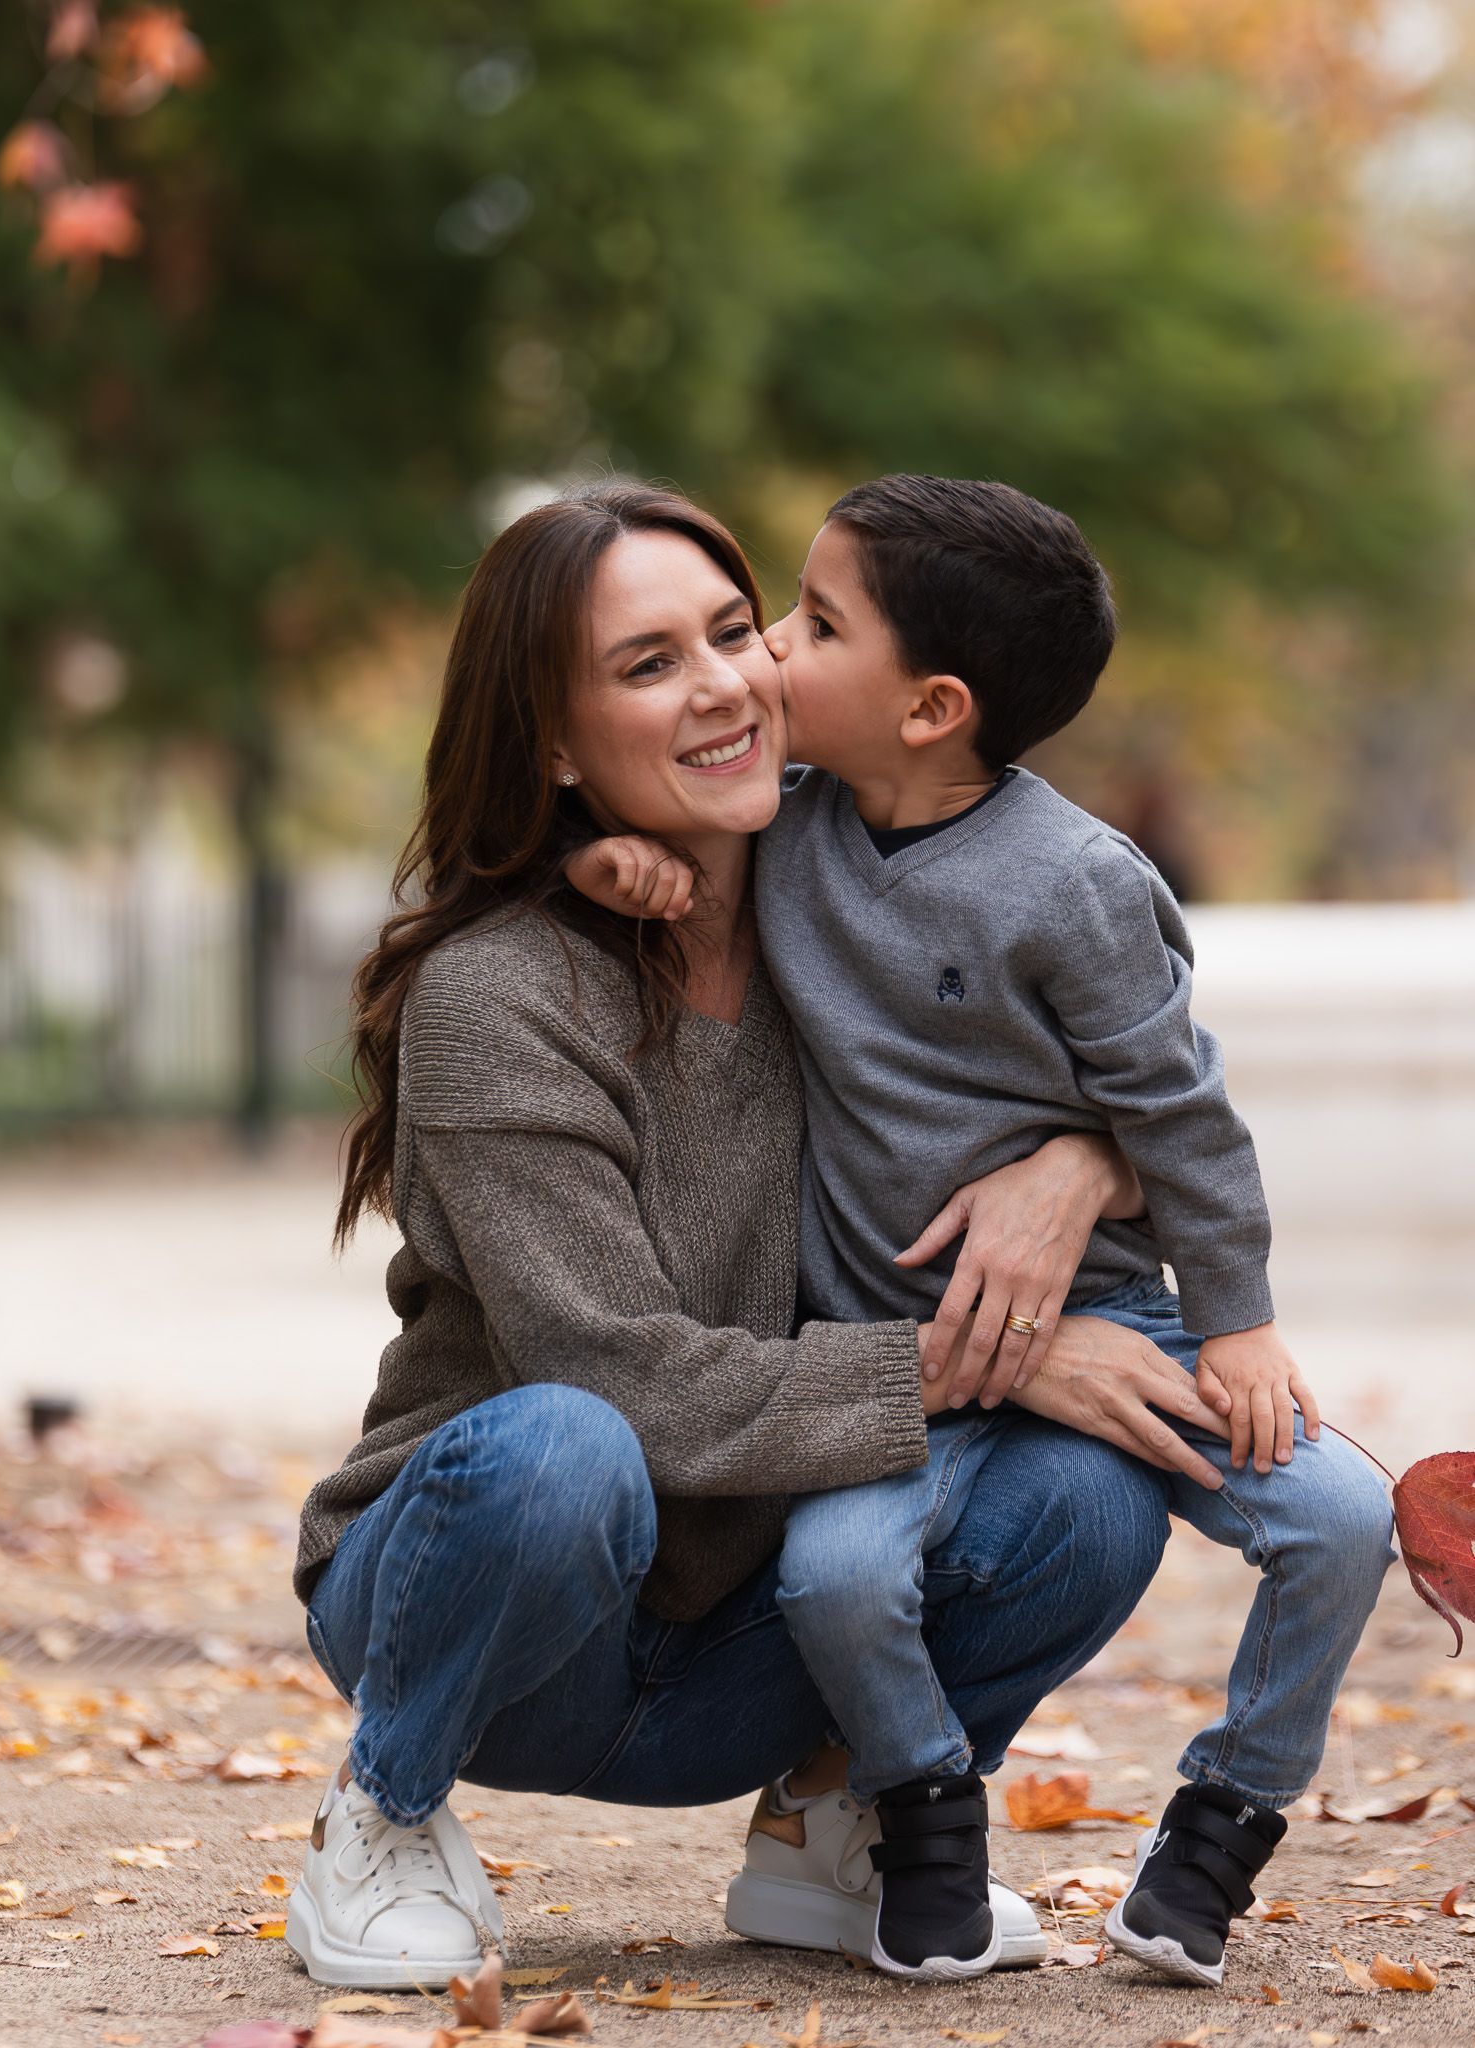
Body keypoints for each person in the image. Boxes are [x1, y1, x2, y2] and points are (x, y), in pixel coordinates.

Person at [282, 482, 1221, 1994]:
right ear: (555, 741)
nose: (725, 680)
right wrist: (993, 1361)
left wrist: (1084, 1163)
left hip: (758, 1638)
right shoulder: (499, 997)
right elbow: (628, 1382)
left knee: (1093, 1497)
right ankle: (381, 1813)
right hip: (499, 1621)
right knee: (567, 1445)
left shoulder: (850, 907)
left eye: (737, 629)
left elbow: (1155, 1075)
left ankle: (838, 1814)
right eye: (648, 664)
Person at [567, 474, 1397, 1990]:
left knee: (1345, 1520)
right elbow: (621, 824)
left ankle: (1223, 1822)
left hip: (1118, 1321)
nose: (770, 649)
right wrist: (601, 863)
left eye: (815, 624)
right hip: (882, 1353)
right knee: (836, 1579)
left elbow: (1182, 1108)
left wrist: (1239, 1320)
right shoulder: (787, 827)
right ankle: (922, 1819)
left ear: (932, 708)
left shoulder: (1076, 883)